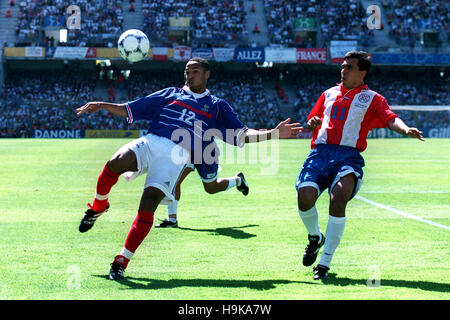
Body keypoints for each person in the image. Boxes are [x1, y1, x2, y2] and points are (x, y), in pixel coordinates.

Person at [76, 57, 301, 281]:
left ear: (207, 74)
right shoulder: (170, 93)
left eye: (194, 71)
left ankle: (121, 261)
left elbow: (242, 134)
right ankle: (99, 206)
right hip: (152, 141)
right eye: (187, 71)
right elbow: (131, 108)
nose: (189, 74)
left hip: (176, 157)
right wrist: (103, 105)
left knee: (148, 207)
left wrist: (273, 133)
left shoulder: (217, 106)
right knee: (116, 162)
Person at [295, 51, 424, 280]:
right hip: (320, 153)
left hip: (348, 157)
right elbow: (313, 120)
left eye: (349, 67)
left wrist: (405, 129)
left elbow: (389, 117)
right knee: (304, 198)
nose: (343, 70)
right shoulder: (328, 94)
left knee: (338, 199)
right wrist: (311, 122)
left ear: (362, 73)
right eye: (342, 66)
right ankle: (315, 237)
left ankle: (324, 263)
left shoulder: (373, 98)